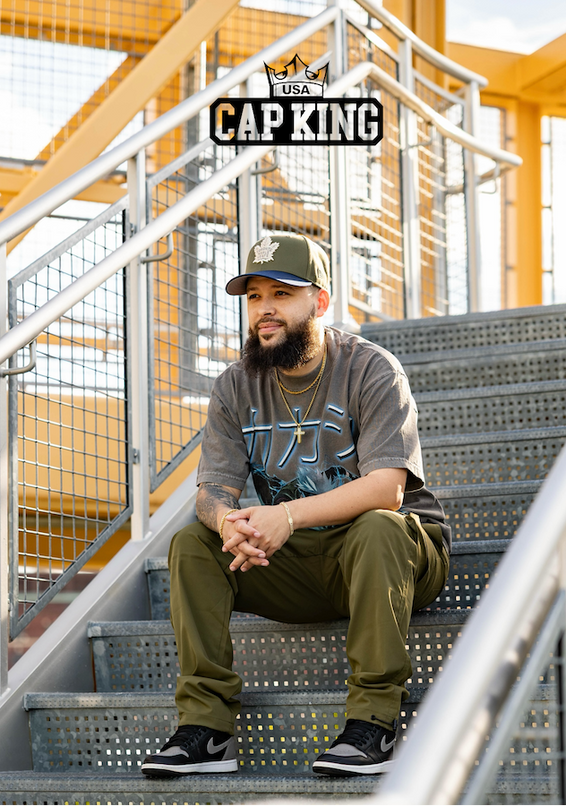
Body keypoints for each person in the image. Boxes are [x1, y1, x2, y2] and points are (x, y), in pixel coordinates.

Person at [141, 232, 451, 779]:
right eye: (255, 296)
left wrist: (284, 515)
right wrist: (229, 523)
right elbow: (211, 490)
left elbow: (388, 489)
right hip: (302, 562)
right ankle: (207, 731)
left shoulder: (372, 369)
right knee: (192, 543)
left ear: (320, 302)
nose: (264, 310)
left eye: (281, 294)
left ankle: (373, 724)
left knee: (378, 527)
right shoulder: (234, 386)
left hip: (393, 554)